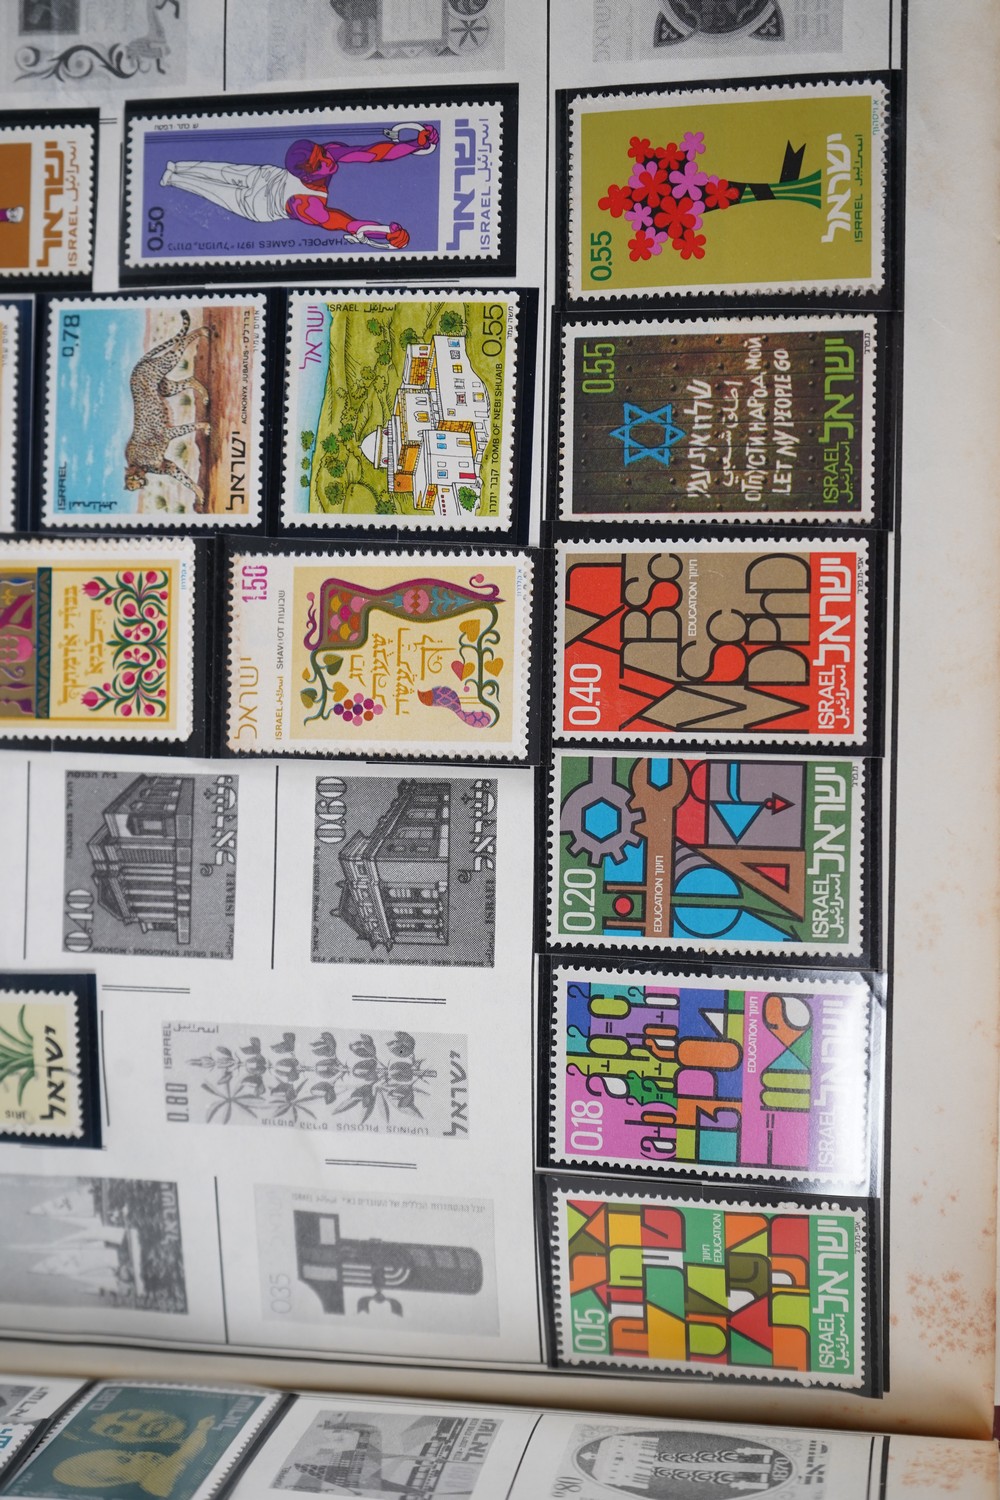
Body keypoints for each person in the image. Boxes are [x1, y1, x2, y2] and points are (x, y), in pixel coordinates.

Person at [158, 122, 439, 248]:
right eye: (320, 164)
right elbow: (346, 224)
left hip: (266, 179)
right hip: (257, 203)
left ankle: (174, 175)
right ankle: (176, 171)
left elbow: (373, 153)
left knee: (219, 179)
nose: (328, 162)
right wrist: (385, 233)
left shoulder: (328, 154)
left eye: (323, 155)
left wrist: (414, 144)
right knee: (215, 182)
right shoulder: (307, 206)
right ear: (306, 174)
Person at [51, 1414, 215, 1497]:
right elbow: (186, 1453)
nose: (140, 1455)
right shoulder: (153, 1484)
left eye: (129, 1453)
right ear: (116, 1480)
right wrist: (202, 1428)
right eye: (125, 1460)